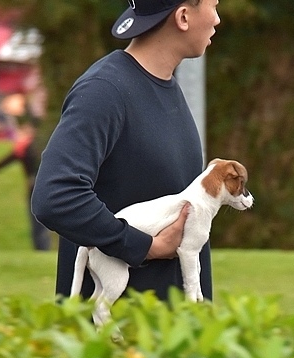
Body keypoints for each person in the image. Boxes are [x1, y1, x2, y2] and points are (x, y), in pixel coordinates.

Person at [31, 0, 220, 300]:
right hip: (117, 337)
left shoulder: (164, 85)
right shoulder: (104, 91)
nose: (217, 19)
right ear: (183, 17)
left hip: (169, 334)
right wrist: (145, 247)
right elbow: (55, 196)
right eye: (213, 6)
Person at [0, 116, 51, 251]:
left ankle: (42, 248)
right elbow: (6, 161)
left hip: (40, 187)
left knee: (39, 220)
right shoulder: (29, 146)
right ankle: (41, 249)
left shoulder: (38, 145)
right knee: (37, 220)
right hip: (37, 188)